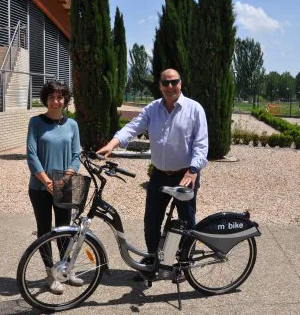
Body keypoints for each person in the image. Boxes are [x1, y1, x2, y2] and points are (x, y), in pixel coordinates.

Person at [97, 68, 208, 261]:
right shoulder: (153, 108)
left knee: (186, 221)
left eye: (174, 82)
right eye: (165, 83)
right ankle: (153, 259)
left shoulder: (194, 109)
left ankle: (184, 262)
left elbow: (201, 143)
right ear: (160, 85)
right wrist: (111, 144)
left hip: (185, 174)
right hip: (159, 175)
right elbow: (133, 127)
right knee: (151, 221)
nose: (170, 86)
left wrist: (193, 170)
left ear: (181, 83)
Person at [26, 80, 82, 295]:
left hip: (64, 185)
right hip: (39, 188)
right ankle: (51, 274)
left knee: (64, 230)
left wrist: (64, 179)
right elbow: (31, 155)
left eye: (60, 97)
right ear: (46, 100)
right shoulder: (36, 123)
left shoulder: (72, 125)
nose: (56, 101)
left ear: (65, 100)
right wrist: (47, 182)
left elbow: (76, 156)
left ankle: (65, 270)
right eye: (52, 97)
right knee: (44, 231)